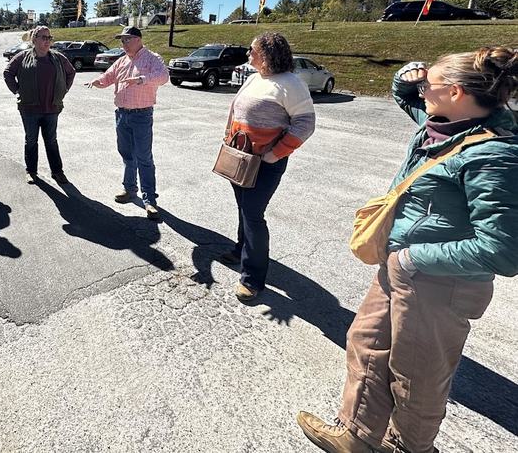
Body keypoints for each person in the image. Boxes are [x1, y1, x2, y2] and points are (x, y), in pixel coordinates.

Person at [298, 47, 518, 453]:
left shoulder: (493, 153)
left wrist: (411, 259)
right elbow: (404, 95)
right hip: (402, 269)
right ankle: (356, 435)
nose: (422, 91)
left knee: (416, 375)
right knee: (365, 342)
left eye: (429, 84)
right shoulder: (445, 123)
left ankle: (408, 446)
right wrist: (406, 75)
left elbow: (503, 250)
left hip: (440, 283)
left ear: (455, 92)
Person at [219, 32, 315, 303]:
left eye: (253, 50)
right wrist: (228, 135)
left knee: (252, 213)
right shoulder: (253, 78)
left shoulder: (290, 84)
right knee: (243, 208)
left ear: (268, 54)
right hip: (240, 156)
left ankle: (252, 278)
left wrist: (276, 154)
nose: (248, 54)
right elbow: (235, 108)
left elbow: (305, 124)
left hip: (265, 163)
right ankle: (241, 249)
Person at [86, 25, 168, 219]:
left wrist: (141, 79)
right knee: (127, 155)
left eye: (127, 39)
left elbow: (164, 77)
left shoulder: (152, 59)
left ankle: (149, 200)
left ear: (138, 39)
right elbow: (108, 77)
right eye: (122, 40)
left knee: (144, 158)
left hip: (141, 115)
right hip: (122, 114)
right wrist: (98, 81)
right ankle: (130, 189)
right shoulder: (122, 61)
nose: (123, 43)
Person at [3, 25, 76, 183]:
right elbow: (8, 73)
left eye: (49, 38)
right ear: (34, 39)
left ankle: (57, 171)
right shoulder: (22, 57)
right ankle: (31, 171)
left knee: (51, 141)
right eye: (43, 37)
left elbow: (71, 73)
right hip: (29, 109)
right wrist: (17, 91)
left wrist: (64, 90)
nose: (47, 41)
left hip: (52, 108)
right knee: (31, 140)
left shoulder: (58, 57)